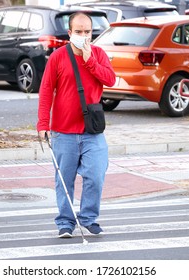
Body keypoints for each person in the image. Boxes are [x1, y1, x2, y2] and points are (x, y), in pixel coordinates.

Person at [37, 12, 116, 238]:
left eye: (88, 32)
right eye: (79, 32)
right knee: (65, 179)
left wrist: (90, 60)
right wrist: (43, 123)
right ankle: (65, 222)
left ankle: (89, 218)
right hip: (63, 131)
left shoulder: (99, 54)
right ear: (70, 33)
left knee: (96, 174)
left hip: (92, 131)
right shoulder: (58, 57)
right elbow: (46, 91)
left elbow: (110, 80)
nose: (84, 36)